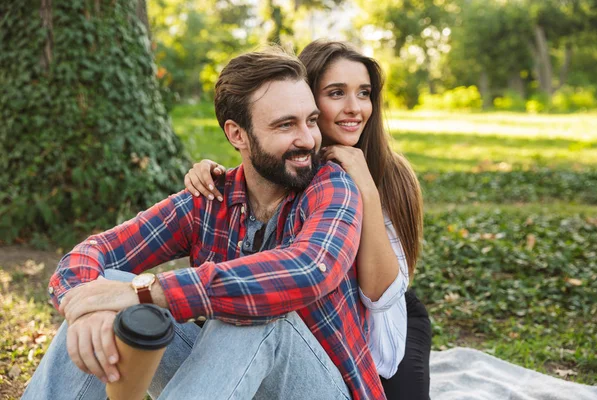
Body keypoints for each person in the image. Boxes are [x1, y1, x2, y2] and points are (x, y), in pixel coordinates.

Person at [23, 47, 386, 399]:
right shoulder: (210, 199)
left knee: (256, 310)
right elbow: (93, 252)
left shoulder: (332, 186)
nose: (308, 139)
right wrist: (83, 306)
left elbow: (310, 269)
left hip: (324, 388)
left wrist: (147, 291)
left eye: (310, 120)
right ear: (237, 134)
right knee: (104, 290)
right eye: (285, 125)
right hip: (227, 384)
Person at [184, 40, 432, 399]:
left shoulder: (391, 174)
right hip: (302, 317)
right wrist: (207, 171)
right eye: (336, 93)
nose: (354, 108)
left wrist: (366, 187)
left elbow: (381, 294)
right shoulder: (287, 163)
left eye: (364, 93)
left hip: (385, 318)